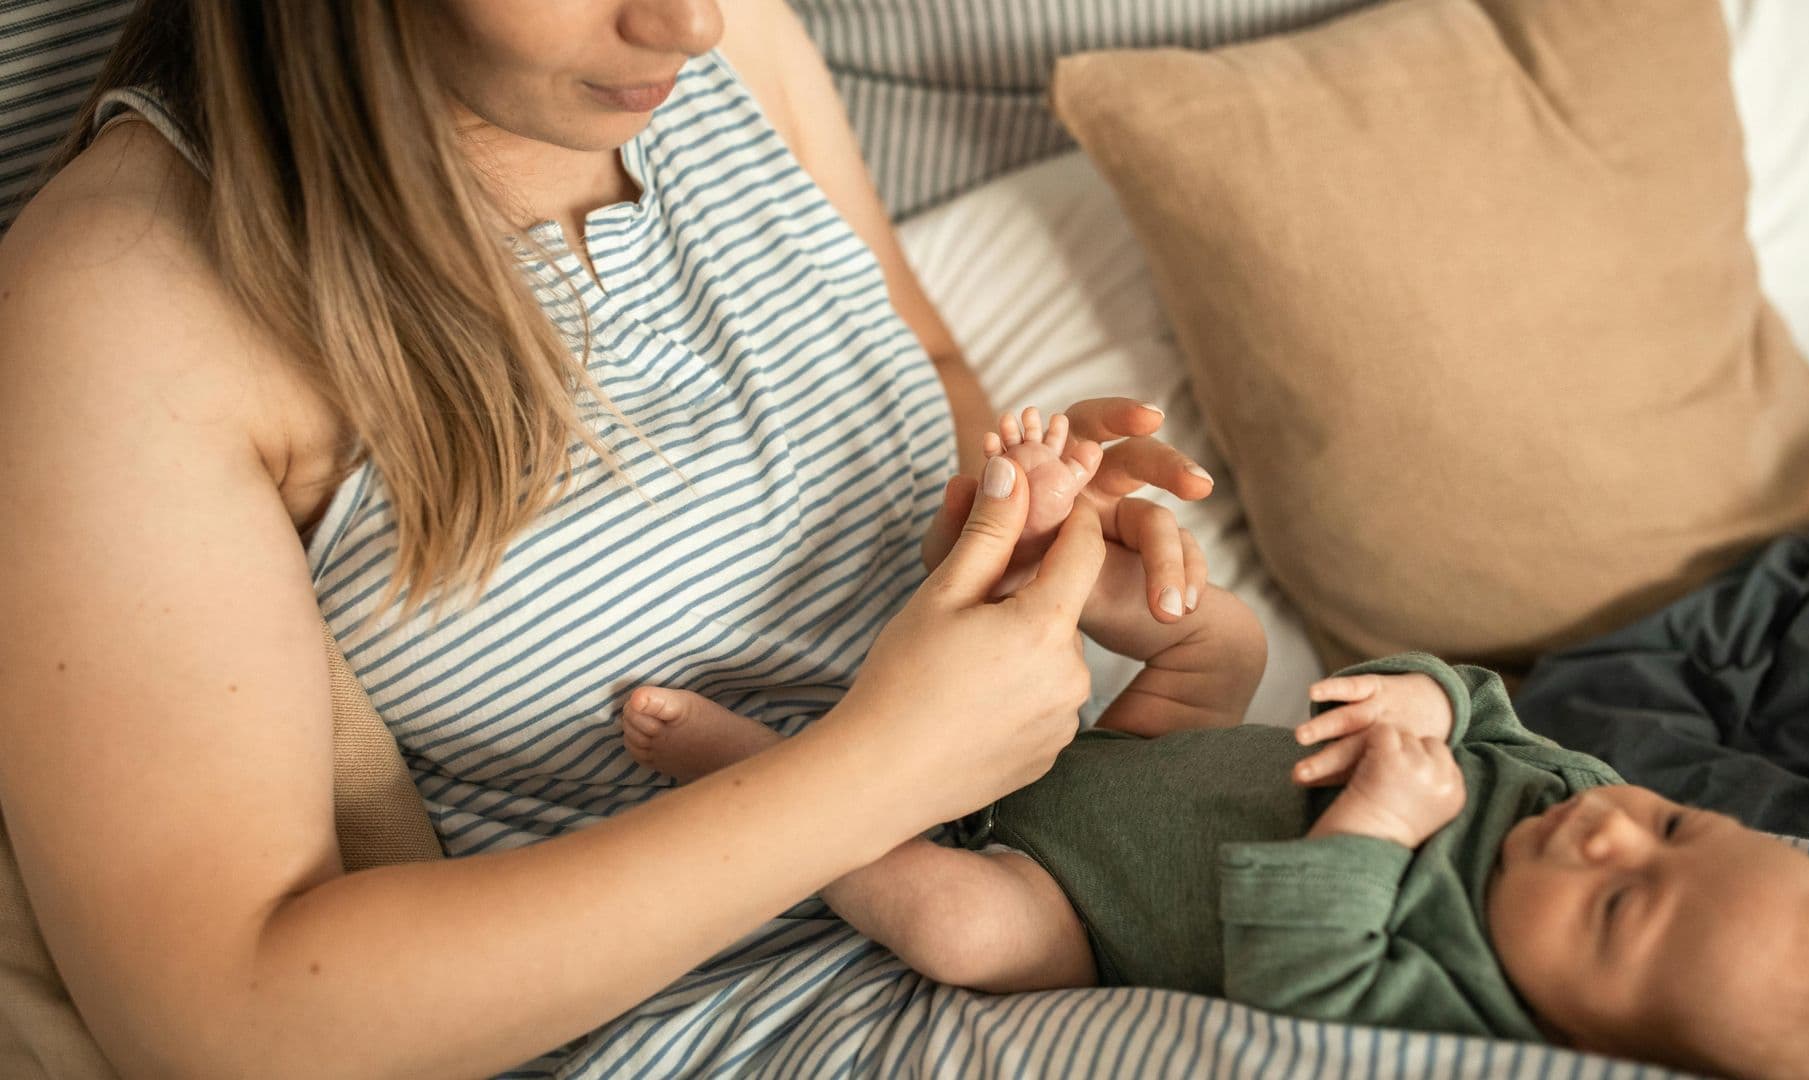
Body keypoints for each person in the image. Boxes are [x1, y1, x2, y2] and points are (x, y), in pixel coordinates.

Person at [0, 2, 1217, 1075]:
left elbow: (929, 364)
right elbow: (227, 1022)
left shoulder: (732, 46)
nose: (688, 24)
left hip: (1070, 877)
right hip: (749, 1021)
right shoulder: (124, 305)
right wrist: (888, 769)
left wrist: (1010, 526)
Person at [627, 548, 1809, 1080]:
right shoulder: (1572, 808)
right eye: (1677, 829)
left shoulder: (1459, 998)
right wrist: (1419, 705)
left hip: (1075, 898)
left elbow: (1301, 983)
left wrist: (1376, 827)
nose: (1610, 836)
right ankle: (1041, 564)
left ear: (1593, 1048)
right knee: (1221, 637)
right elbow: (1486, 712)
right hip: (1168, 751)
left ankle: (756, 774)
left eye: (1622, 906)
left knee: (961, 929)